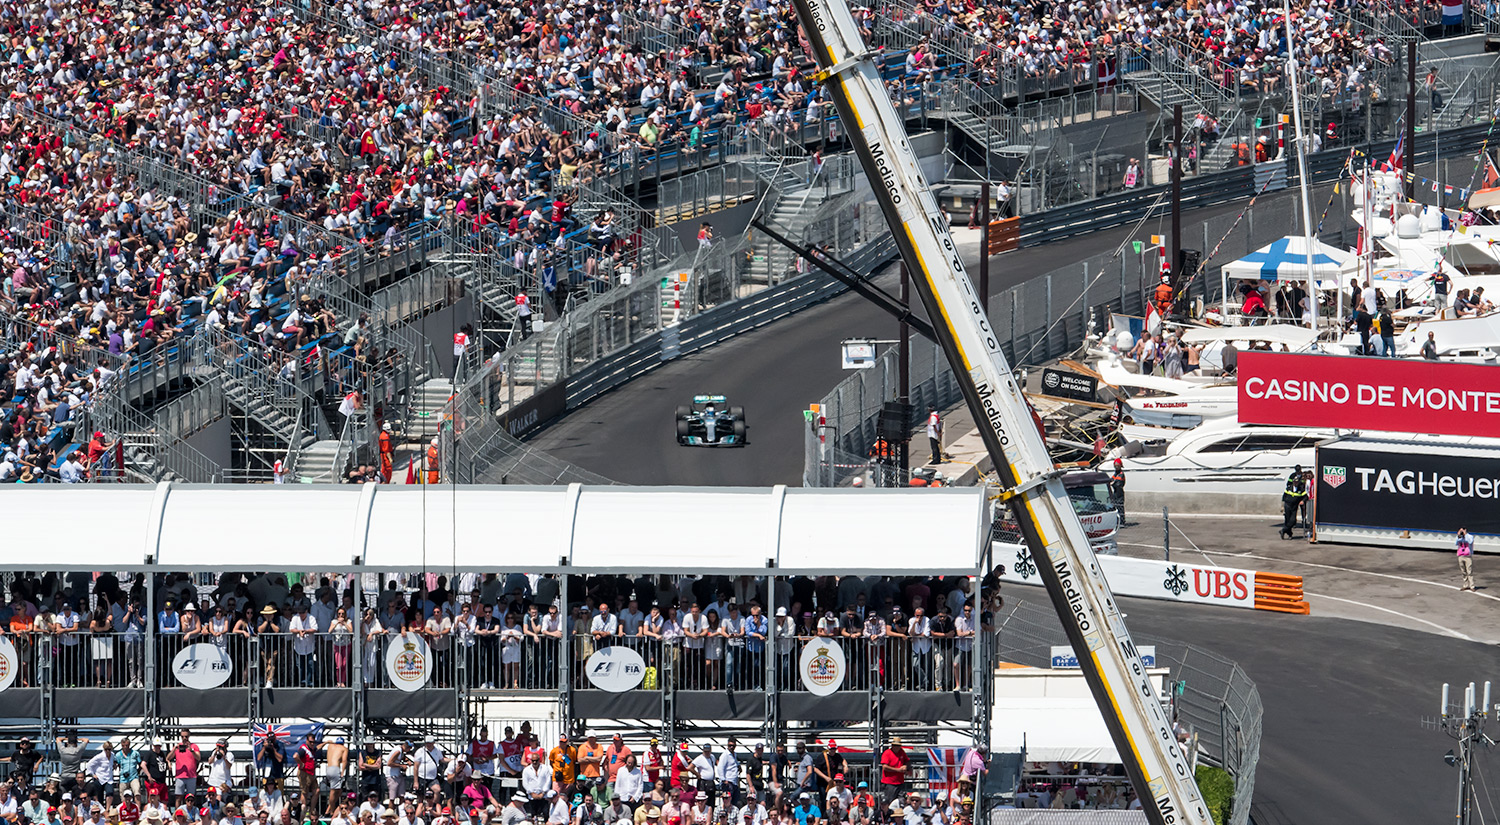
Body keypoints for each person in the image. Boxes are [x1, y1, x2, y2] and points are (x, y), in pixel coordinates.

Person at [1279, 466, 1308, 540]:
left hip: (1295, 506)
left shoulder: (1300, 488)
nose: (1296, 483)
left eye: (1297, 481)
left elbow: (1305, 496)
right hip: (1287, 505)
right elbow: (1284, 497)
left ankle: (1283, 530)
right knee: (1287, 520)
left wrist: (1302, 501)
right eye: (1294, 481)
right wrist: (1282, 506)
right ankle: (1289, 533)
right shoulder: (1289, 488)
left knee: (1293, 521)